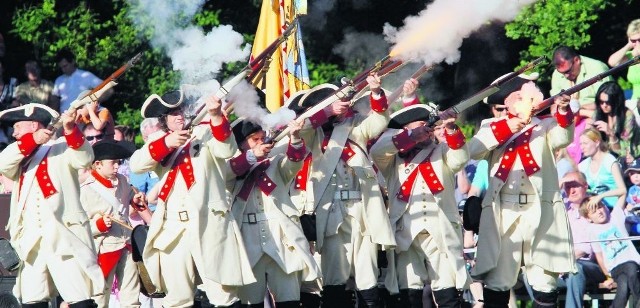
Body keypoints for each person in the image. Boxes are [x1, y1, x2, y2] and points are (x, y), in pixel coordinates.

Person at [129, 89, 255, 307]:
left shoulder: (205, 131)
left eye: (180, 110)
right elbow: (137, 164)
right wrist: (169, 143)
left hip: (209, 223)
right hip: (173, 228)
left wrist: (216, 116)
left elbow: (227, 150)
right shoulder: (161, 140)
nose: (178, 115)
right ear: (164, 120)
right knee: (178, 299)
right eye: (172, 113)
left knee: (223, 295)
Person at [467, 74, 576, 307]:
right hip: (503, 213)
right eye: (518, 96)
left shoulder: (546, 124)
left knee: (545, 282)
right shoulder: (492, 127)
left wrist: (564, 110)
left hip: (539, 211)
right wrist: (507, 127)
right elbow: (473, 150)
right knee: (498, 281)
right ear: (508, 102)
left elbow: (564, 137)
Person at [291, 73, 396, 308]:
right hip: (331, 212)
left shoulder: (355, 126)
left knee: (367, 273)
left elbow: (379, 121)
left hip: (363, 208)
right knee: (334, 277)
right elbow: (304, 126)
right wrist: (328, 111)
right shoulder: (313, 133)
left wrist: (376, 92)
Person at [0, 103, 104, 307]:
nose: (14, 134)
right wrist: (33, 140)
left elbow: (85, 158)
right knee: (32, 300)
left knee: (79, 300)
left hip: (64, 237)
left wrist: (70, 128)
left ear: (33, 125)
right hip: (31, 242)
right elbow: (2, 163)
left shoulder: (63, 146)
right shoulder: (23, 155)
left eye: (17, 127)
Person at [370, 103, 469, 307]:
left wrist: (450, 127)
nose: (428, 131)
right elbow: (377, 150)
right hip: (404, 230)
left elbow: (460, 158)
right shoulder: (391, 159)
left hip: (441, 229)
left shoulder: (442, 151)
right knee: (409, 292)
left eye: (428, 126)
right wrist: (412, 137)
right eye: (420, 126)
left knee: (447, 290)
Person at [226, 118, 320, 307]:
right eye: (255, 139)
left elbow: (293, 163)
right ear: (241, 144)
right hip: (246, 241)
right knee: (251, 303)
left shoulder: (274, 162)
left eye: (263, 138)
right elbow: (231, 172)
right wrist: (253, 156)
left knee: (289, 301)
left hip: (281, 239)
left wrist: (294, 138)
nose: (262, 143)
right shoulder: (229, 165)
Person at [80, 139, 152, 308]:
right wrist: (98, 225)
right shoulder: (85, 189)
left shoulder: (123, 181)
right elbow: (79, 228)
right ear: (97, 164)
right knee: (100, 298)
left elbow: (129, 201)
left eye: (118, 163)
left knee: (131, 297)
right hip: (104, 250)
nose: (116, 167)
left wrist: (135, 199)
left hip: (126, 245)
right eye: (112, 163)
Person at [551, 46, 612, 164]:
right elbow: (554, 106)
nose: (566, 76)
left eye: (568, 71)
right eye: (562, 73)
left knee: (589, 123)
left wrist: (579, 108)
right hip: (571, 117)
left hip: (595, 116)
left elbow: (607, 103)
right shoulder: (557, 74)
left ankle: (586, 162)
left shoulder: (597, 68)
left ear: (577, 60)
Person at [556, 171, 606, 308]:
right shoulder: (563, 209)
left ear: (585, 186)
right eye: (567, 187)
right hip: (563, 268)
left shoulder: (595, 206)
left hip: (591, 266)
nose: (571, 190)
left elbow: (586, 249)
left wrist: (562, 262)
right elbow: (547, 202)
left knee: (575, 269)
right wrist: (559, 184)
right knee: (531, 276)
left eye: (575, 186)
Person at [579, 196, 640, 307]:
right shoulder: (592, 230)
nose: (599, 212)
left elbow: (622, 192)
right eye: (593, 211)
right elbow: (599, 255)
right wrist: (608, 277)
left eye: (600, 207)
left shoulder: (615, 217)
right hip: (615, 268)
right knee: (630, 267)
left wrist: (600, 196)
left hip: (633, 263)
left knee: (623, 286)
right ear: (588, 218)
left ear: (606, 207)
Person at [578, 127, 627, 209]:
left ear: (597, 142)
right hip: (597, 209)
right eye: (580, 144)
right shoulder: (583, 166)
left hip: (614, 207)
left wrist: (600, 196)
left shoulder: (609, 161)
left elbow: (622, 190)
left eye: (585, 143)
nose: (582, 147)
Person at [51, 49, 112, 113]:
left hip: (84, 117)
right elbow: (55, 101)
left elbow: (109, 89)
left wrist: (93, 103)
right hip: (65, 117)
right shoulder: (59, 80)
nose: (63, 70)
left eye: (65, 66)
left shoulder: (86, 76)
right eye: (61, 68)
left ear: (73, 62)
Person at [592, 81, 639, 164]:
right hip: (604, 156)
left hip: (627, 156)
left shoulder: (628, 116)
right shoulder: (597, 114)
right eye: (601, 102)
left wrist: (611, 134)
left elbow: (625, 152)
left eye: (608, 102)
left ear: (616, 101)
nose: (604, 105)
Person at [129, 118, 161, 212]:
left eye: (158, 134)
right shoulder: (140, 160)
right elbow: (138, 196)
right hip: (155, 211)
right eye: (151, 137)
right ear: (144, 138)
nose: (156, 139)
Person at [608, 19, 640, 103]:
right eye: (634, 40)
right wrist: (629, 45)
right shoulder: (632, 55)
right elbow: (612, 62)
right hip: (635, 103)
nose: (637, 44)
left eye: (639, 40)